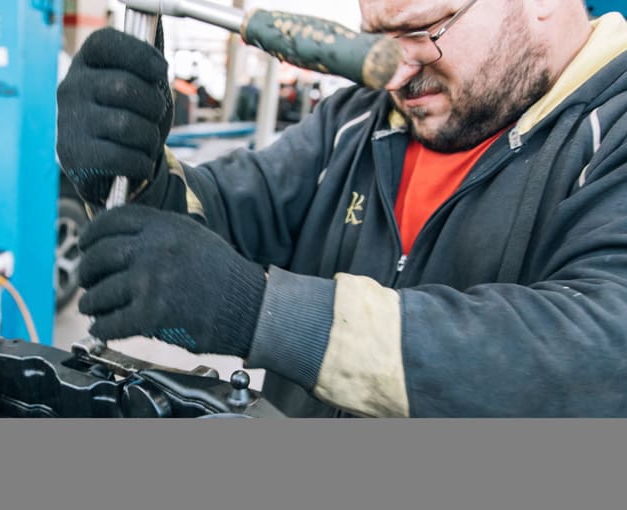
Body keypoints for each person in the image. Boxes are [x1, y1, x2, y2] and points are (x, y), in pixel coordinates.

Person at [55, 0, 627, 417]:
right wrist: (137, 174)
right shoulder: (356, 120)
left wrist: (270, 313)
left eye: (421, 31)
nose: (396, 73)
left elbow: (601, 356)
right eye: (379, 40)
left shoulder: (612, 131)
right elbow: (223, 219)